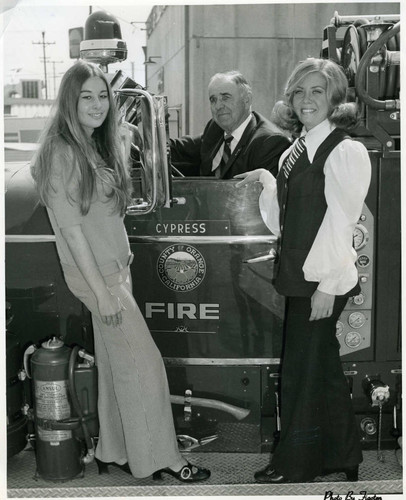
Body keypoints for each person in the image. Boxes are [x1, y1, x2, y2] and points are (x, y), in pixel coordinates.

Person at [31, 59, 210, 483]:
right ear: (69, 102)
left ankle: (114, 450)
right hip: (101, 279)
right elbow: (72, 233)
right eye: (85, 97)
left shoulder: (91, 144)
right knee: (145, 365)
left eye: (102, 96)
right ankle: (161, 458)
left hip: (115, 271)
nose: (96, 105)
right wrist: (102, 293)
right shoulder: (62, 152)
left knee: (116, 366)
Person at [235, 57, 371, 483]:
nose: (307, 99)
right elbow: (287, 217)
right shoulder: (297, 148)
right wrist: (266, 178)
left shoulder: (345, 150)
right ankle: (344, 455)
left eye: (317, 91)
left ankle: (295, 465)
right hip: (301, 273)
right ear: (290, 99)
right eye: (299, 91)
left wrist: (327, 286)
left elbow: (341, 221)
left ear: (334, 98)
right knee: (323, 367)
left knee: (299, 371)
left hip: (322, 278)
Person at [169, 70, 290, 178]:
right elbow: (177, 149)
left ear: (247, 100)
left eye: (225, 98)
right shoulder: (215, 128)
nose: (218, 106)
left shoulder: (269, 142)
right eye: (213, 100)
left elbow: (261, 198)